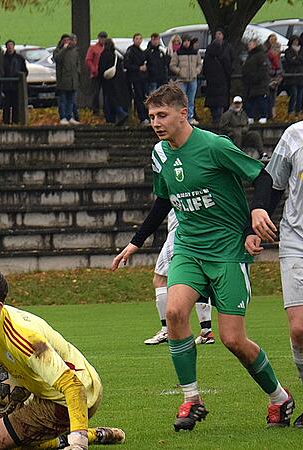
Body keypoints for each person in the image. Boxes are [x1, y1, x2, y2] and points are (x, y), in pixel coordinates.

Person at [112, 83, 295, 431]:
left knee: (232, 339)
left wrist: (255, 221)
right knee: (175, 311)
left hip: (227, 251)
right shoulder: (160, 154)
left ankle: (279, 397)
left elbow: (264, 176)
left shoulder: (214, 146)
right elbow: (163, 200)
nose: (155, 122)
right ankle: (191, 400)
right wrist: (137, 241)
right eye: (151, 116)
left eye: (162, 115)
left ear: (184, 113)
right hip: (189, 248)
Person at [0, 266, 126, 450]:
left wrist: (79, 443)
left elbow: (74, 387)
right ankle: (91, 435)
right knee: (15, 440)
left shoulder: (25, 339)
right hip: (45, 389)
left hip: (74, 397)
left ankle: (80, 435)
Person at [248, 120, 303, 428]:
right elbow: (272, 183)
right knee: (299, 330)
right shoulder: (294, 135)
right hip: (296, 240)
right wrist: (254, 222)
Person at [143, 209, 215, 346]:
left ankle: (167, 330)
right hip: (200, 234)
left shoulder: (176, 188)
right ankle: (206, 331)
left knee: (160, 280)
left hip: (179, 235)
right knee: (199, 281)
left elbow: (158, 211)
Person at [169, 35, 202, 125]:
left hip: (192, 79)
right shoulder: (178, 53)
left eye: (188, 41)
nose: (187, 43)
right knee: (182, 100)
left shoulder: (195, 53)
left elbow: (199, 64)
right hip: (181, 80)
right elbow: (172, 65)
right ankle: (182, 117)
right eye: (185, 41)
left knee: (191, 100)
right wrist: (180, 72)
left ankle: (190, 117)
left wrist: (196, 71)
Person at [202, 30, 232, 125]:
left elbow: (205, 71)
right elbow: (229, 70)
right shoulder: (223, 58)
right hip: (221, 86)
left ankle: (215, 123)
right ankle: (219, 125)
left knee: (214, 110)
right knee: (219, 109)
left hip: (211, 87)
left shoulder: (208, 59)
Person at [97, 39, 128, 125]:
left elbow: (101, 69)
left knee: (108, 99)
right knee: (115, 98)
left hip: (107, 81)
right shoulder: (115, 55)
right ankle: (119, 113)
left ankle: (114, 116)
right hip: (117, 82)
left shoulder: (104, 55)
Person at [242, 38, 270, 124]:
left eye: (250, 44)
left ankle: (263, 116)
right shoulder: (251, 56)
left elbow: (264, 69)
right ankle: (250, 116)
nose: (248, 46)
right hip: (251, 84)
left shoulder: (260, 55)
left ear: (255, 45)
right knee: (251, 101)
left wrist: (255, 78)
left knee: (261, 100)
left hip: (259, 84)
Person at [55, 33, 80, 125]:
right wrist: (64, 49)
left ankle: (69, 116)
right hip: (63, 80)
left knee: (71, 100)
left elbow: (77, 63)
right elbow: (57, 59)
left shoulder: (74, 51)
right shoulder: (58, 51)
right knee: (63, 100)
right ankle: (63, 117)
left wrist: (78, 73)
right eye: (65, 40)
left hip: (73, 80)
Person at [124, 33, 149, 125]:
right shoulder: (130, 51)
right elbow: (126, 65)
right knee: (138, 98)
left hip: (142, 79)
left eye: (140, 39)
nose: (138, 40)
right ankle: (142, 117)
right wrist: (138, 68)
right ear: (133, 40)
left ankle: (145, 116)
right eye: (137, 39)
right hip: (134, 79)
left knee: (144, 98)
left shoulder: (141, 51)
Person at [2, 39, 28, 125]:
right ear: (6, 47)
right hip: (6, 85)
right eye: (8, 45)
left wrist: (20, 77)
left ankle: (15, 121)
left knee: (16, 104)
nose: (10, 47)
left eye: (11, 45)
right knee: (6, 105)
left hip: (16, 85)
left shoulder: (19, 58)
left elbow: (25, 71)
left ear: (14, 46)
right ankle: (5, 121)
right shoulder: (3, 58)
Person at [85, 31, 107, 115]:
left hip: (105, 74)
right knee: (96, 92)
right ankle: (95, 109)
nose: (103, 40)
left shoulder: (106, 48)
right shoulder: (93, 48)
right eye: (101, 38)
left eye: (104, 38)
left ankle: (105, 109)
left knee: (106, 92)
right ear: (99, 38)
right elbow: (88, 60)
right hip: (96, 74)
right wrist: (93, 69)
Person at [283, 35, 303, 118]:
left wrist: (296, 58)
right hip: (292, 76)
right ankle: (291, 111)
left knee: (300, 95)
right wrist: (298, 59)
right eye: (294, 40)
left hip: (300, 76)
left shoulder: (301, 50)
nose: (296, 42)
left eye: (297, 40)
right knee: (294, 95)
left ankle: (298, 111)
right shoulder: (288, 51)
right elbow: (290, 61)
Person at [265, 34, 282, 120]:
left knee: (273, 97)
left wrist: (278, 73)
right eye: (272, 39)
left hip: (276, 77)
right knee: (268, 97)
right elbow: (267, 66)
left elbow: (280, 65)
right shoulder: (267, 52)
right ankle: (268, 114)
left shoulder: (277, 53)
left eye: (274, 39)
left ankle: (272, 115)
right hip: (269, 77)